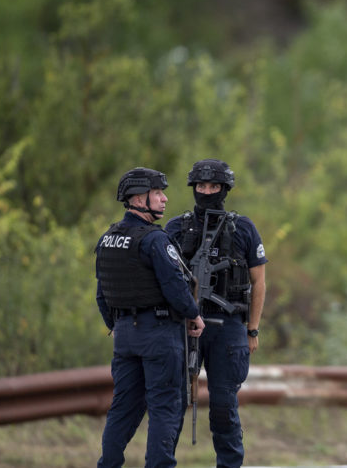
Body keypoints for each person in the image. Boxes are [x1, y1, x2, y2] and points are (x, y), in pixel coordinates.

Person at [95, 167, 205, 468]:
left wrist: (117, 325)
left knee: (123, 409)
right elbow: (175, 286)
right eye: (158, 193)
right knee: (166, 408)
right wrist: (194, 315)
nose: (165, 198)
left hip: (124, 336)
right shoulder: (155, 240)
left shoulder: (107, 240)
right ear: (139, 198)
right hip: (159, 334)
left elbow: (101, 295)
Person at [165, 158, 268, 468]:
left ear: (225, 189)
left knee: (223, 406)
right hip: (183, 327)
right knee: (172, 405)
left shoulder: (243, 228)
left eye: (213, 186)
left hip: (228, 328)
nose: (206, 191)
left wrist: (252, 329)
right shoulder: (176, 227)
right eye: (201, 186)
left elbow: (259, 282)